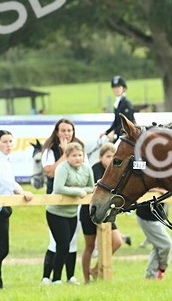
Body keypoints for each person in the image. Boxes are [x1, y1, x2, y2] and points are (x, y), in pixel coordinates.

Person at [0, 130, 34, 290]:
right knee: (2, 250)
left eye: (10, 141)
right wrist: (22, 192)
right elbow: (7, 181)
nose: (8, 145)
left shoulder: (5, 160)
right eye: (4, 142)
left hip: (2, 208)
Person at [45, 140, 93, 284]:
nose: (78, 158)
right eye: (74, 155)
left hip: (72, 212)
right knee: (63, 245)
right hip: (56, 212)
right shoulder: (62, 168)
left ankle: (69, 277)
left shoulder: (86, 168)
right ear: (67, 156)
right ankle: (56, 279)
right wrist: (78, 191)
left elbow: (91, 187)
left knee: (69, 245)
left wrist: (79, 190)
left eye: (80, 155)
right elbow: (58, 188)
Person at [81, 142, 130, 283]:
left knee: (117, 241)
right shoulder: (95, 169)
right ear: (100, 157)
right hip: (89, 211)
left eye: (113, 156)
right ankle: (86, 279)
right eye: (108, 156)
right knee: (89, 246)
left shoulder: (116, 171)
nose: (110, 159)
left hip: (107, 212)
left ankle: (95, 269)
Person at [40, 119, 78, 278]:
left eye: (69, 130)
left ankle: (70, 276)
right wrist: (64, 154)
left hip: (75, 201)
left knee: (72, 241)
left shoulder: (79, 148)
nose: (66, 134)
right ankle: (47, 277)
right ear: (56, 132)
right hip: (55, 201)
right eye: (63, 130)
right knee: (56, 242)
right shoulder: (49, 150)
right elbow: (50, 172)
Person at [136, 197, 172, 280]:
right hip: (148, 217)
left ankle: (151, 277)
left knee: (158, 246)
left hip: (160, 215)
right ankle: (161, 270)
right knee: (166, 244)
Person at [104, 76, 136, 140]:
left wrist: (114, 131)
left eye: (118, 87)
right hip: (120, 135)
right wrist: (106, 132)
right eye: (114, 87)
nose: (116, 89)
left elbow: (127, 123)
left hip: (128, 137)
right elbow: (116, 122)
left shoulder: (127, 104)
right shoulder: (117, 103)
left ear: (123, 88)